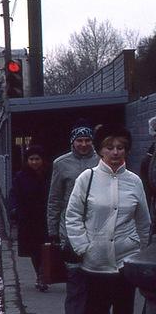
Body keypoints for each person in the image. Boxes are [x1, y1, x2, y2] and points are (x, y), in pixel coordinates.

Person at [65, 124, 150, 314]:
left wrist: (139, 250)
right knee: (95, 309)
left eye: (120, 147)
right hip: (95, 263)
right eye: (109, 147)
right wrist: (84, 247)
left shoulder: (134, 181)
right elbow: (73, 216)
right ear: (100, 150)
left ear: (126, 151)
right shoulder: (87, 178)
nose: (115, 152)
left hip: (126, 263)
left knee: (124, 309)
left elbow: (143, 221)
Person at [48, 122, 100, 314]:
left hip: (97, 229)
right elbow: (54, 199)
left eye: (87, 140)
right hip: (69, 230)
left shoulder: (101, 161)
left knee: (96, 282)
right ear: (73, 142)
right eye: (80, 140)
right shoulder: (61, 164)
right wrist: (52, 231)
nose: (84, 144)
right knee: (75, 280)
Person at [11, 145, 51, 292]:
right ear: (27, 160)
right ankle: (40, 275)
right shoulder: (21, 176)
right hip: (28, 219)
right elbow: (14, 194)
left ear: (42, 160)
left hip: (46, 218)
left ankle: (45, 274)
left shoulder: (49, 175)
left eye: (37, 159)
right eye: (31, 159)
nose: (34, 162)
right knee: (35, 250)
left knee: (46, 248)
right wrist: (15, 210)